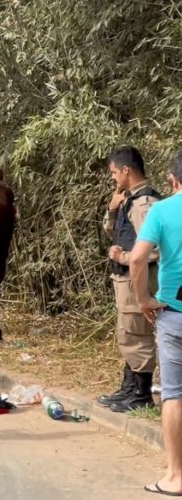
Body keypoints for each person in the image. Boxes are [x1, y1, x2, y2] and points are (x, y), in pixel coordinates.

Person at [131, 150, 182, 496]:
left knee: (174, 395)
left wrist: (143, 300)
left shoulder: (162, 211)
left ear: (173, 179)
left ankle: (176, 477)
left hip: (173, 315)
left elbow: (136, 258)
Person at [98, 147, 160, 413]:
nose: (113, 178)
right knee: (128, 332)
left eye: (114, 172)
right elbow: (114, 229)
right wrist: (112, 209)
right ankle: (128, 388)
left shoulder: (145, 204)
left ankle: (141, 393)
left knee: (137, 332)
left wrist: (123, 257)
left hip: (139, 279)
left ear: (126, 170)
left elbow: (154, 250)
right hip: (126, 279)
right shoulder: (129, 200)